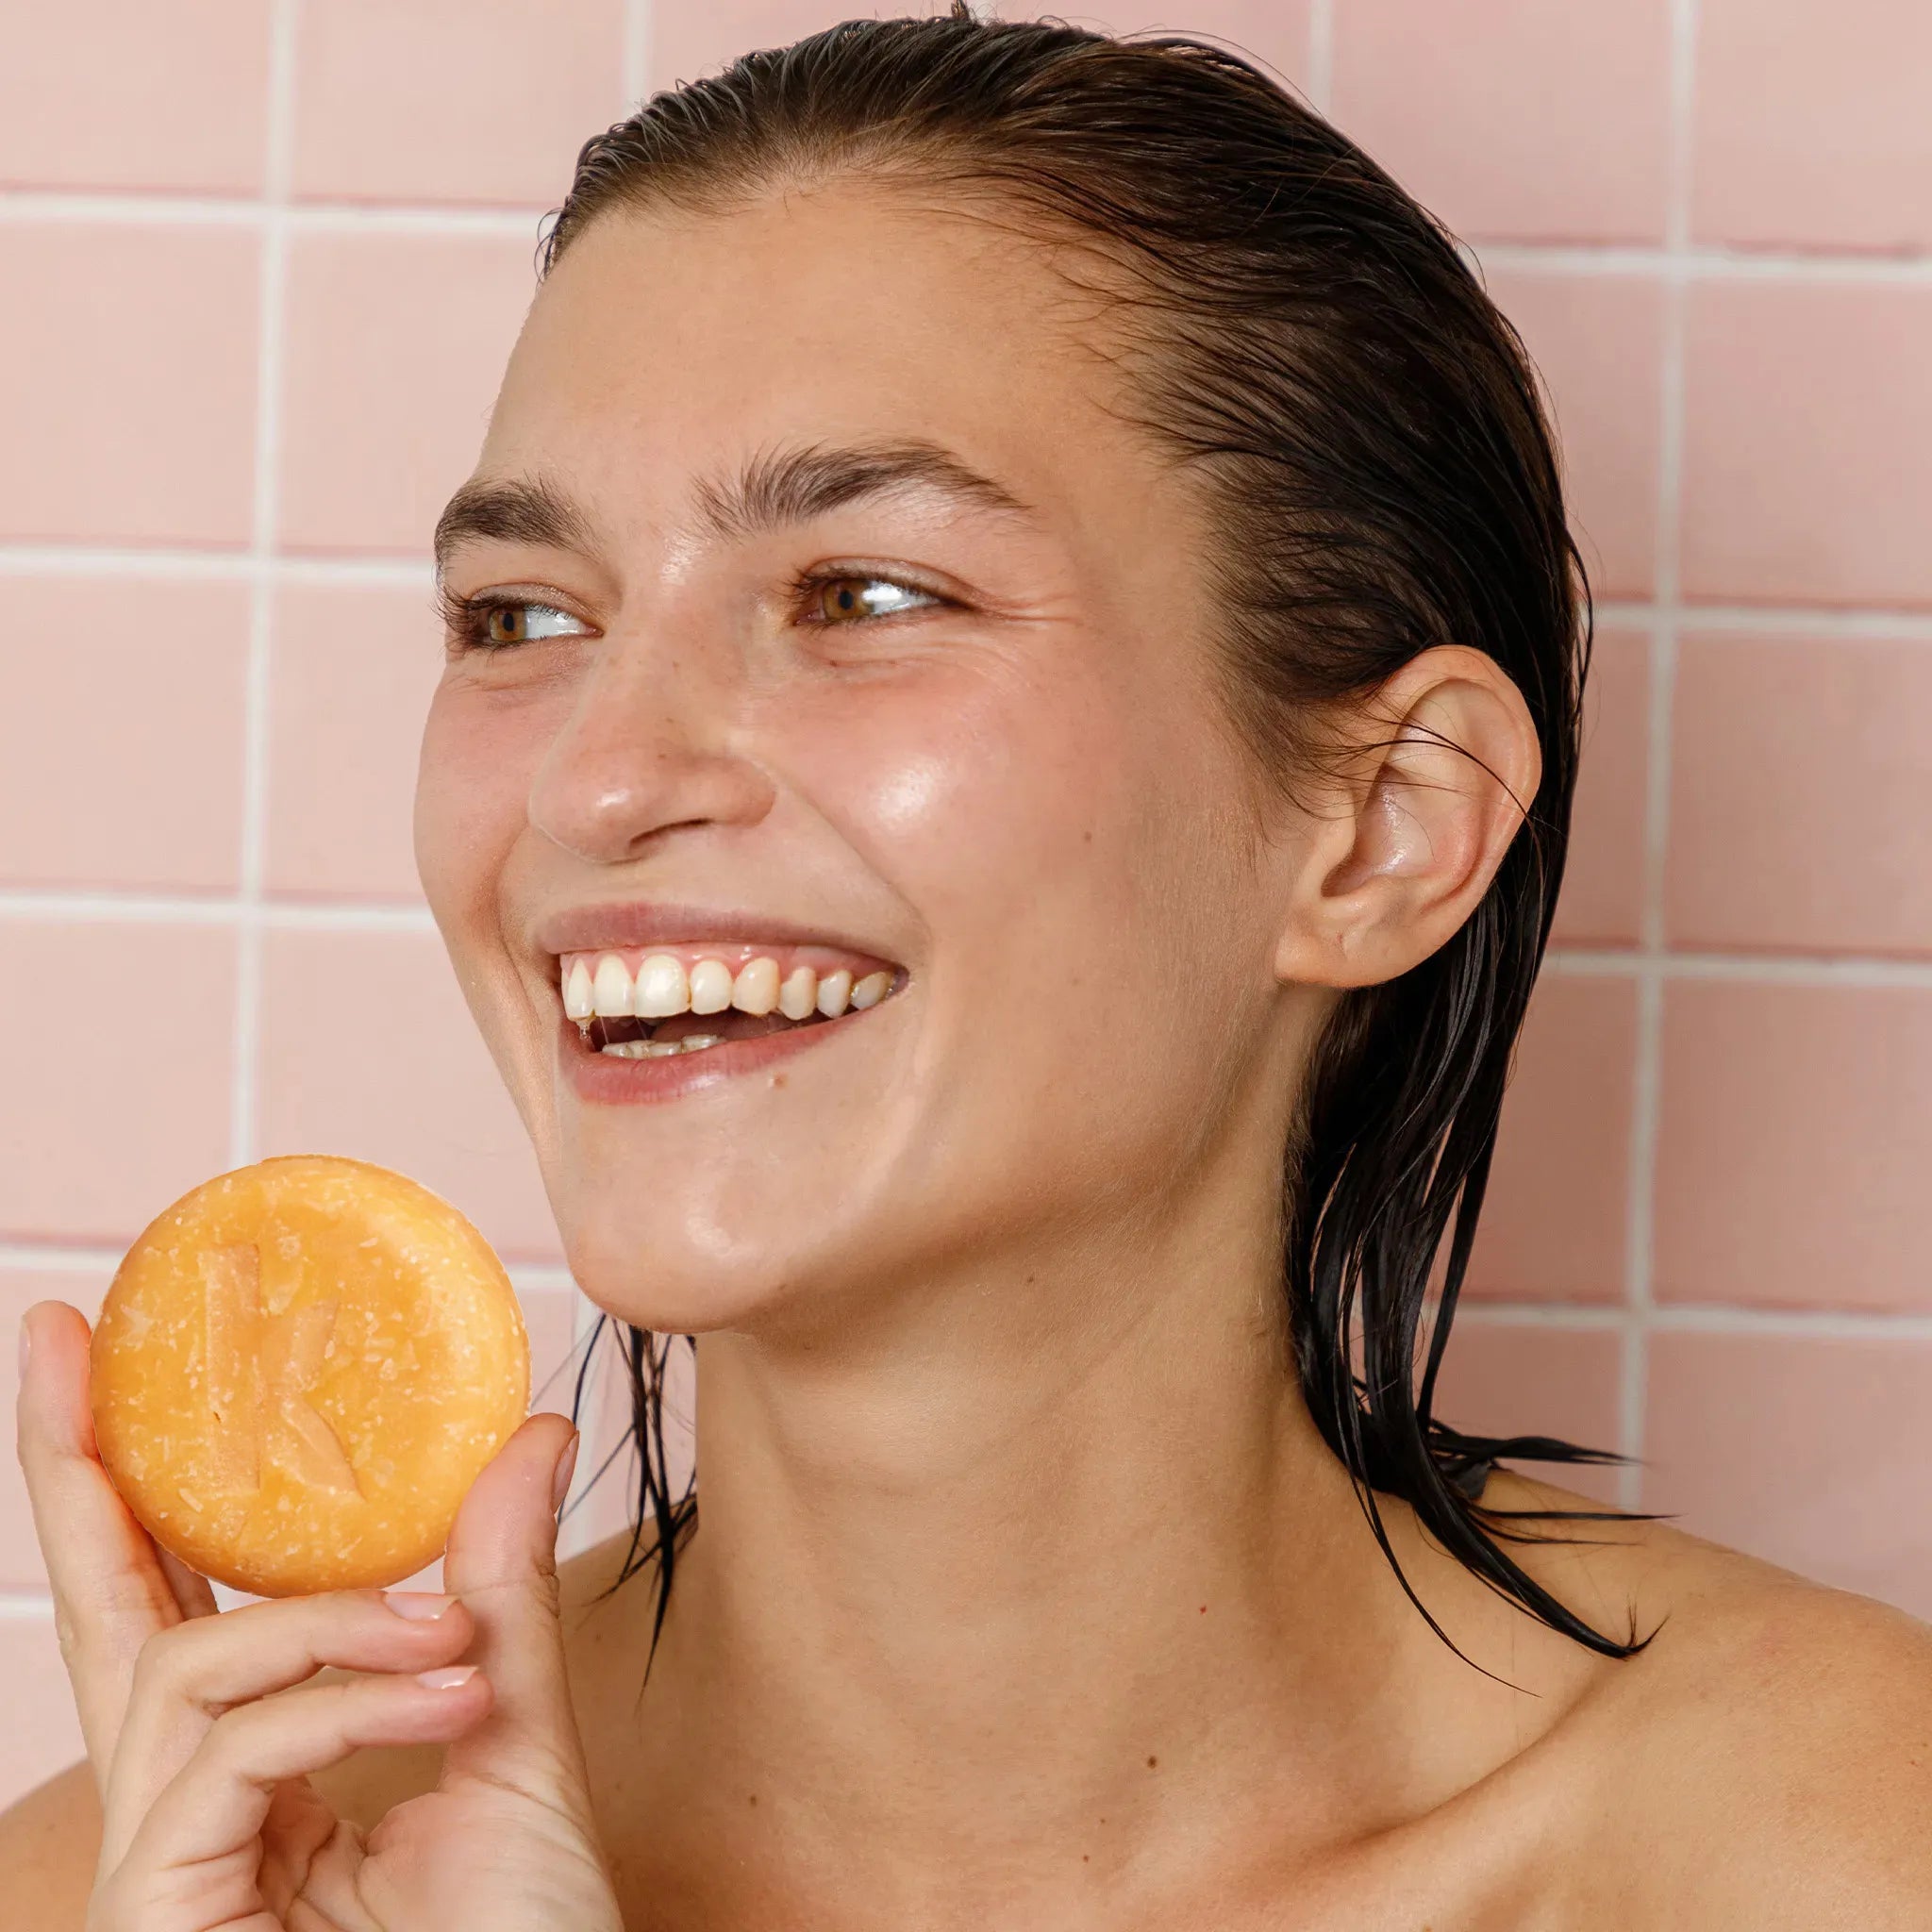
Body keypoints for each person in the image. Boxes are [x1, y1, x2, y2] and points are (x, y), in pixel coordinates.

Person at [8, 9, 1930, 1926]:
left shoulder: (1840, 1847)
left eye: (864, 595)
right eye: (522, 614)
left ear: (1381, 828)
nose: (596, 778)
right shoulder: (158, 1893)